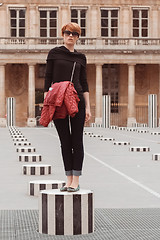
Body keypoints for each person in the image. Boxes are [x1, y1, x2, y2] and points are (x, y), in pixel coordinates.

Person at [44, 22, 91, 192]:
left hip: (77, 100)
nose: (70, 36)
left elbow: (84, 83)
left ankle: (76, 180)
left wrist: (88, 108)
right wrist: (47, 103)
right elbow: (48, 78)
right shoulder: (54, 53)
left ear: (78, 37)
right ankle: (68, 179)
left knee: (77, 140)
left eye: (74, 34)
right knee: (65, 141)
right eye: (67, 33)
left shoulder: (81, 57)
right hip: (58, 101)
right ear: (62, 35)